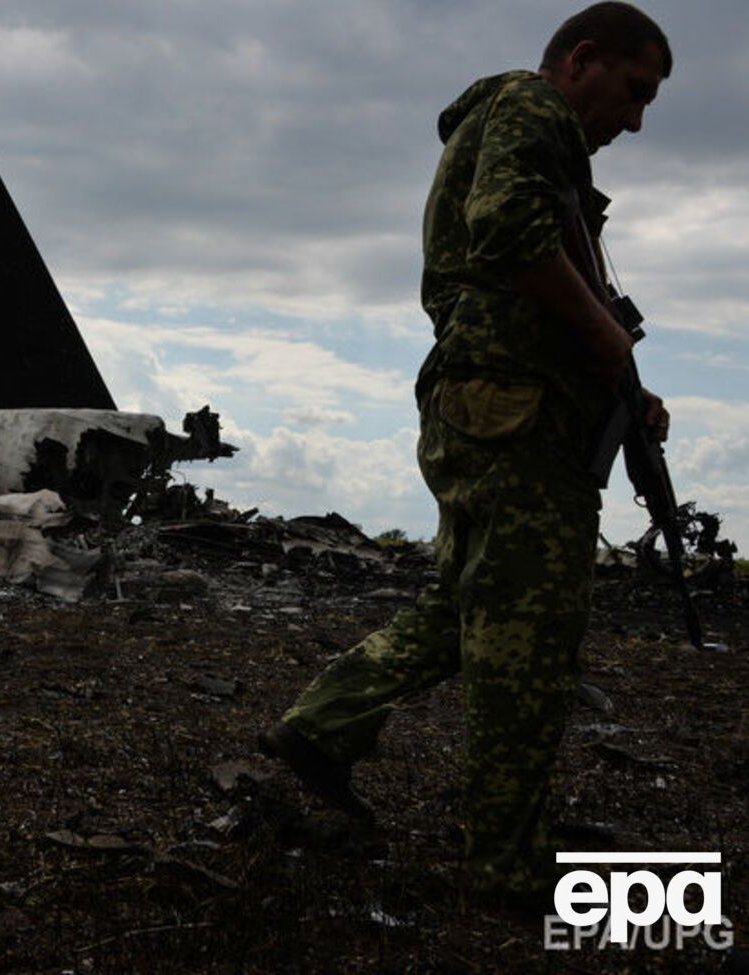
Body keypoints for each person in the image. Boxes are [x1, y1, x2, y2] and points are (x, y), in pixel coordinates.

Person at [260, 2, 673, 902]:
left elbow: (531, 255)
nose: (636, 121)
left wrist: (621, 379)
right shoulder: (532, 107)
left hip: (494, 405)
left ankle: (322, 726)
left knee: (463, 607)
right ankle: (506, 861)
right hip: (514, 416)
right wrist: (606, 341)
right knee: (528, 632)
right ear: (583, 60)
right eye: (634, 93)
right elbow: (512, 235)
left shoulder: (534, 136)